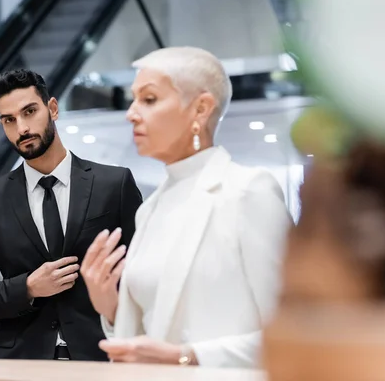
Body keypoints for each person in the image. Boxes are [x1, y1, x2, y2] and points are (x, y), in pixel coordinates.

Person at [80, 47, 293, 368]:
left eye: (149, 99)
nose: (131, 113)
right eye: (133, 98)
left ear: (201, 109)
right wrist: (111, 309)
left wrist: (189, 357)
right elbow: (154, 334)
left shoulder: (247, 192)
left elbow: (297, 333)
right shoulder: (149, 208)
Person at [0, 69, 142, 361]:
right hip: (23, 366)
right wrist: (26, 288)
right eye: (9, 120)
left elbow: (142, 274)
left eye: (29, 112)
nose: (22, 128)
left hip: (102, 359)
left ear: (52, 108)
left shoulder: (114, 185)